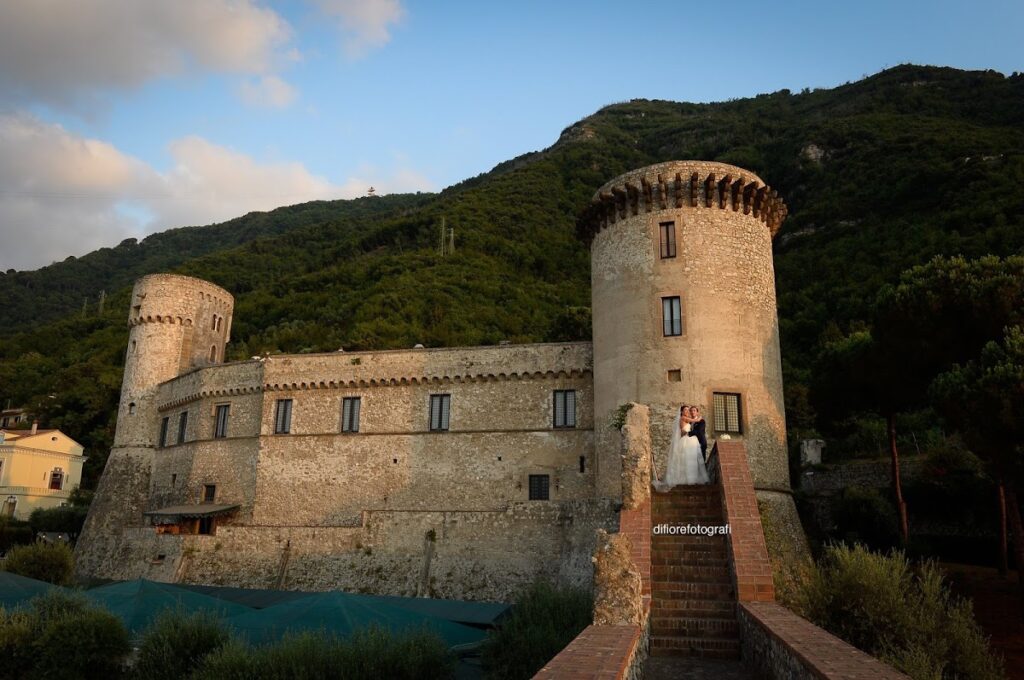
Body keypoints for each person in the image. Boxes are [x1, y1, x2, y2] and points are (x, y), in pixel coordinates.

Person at [660, 405, 710, 487]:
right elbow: (693, 422)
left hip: (699, 442)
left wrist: (687, 432)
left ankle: (695, 477)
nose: (689, 412)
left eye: (691, 410)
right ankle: (687, 478)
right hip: (687, 440)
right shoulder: (685, 418)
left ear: (697, 412)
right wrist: (698, 419)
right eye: (687, 410)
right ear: (682, 412)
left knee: (695, 459)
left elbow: (699, 431)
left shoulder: (701, 421)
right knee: (686, 459)